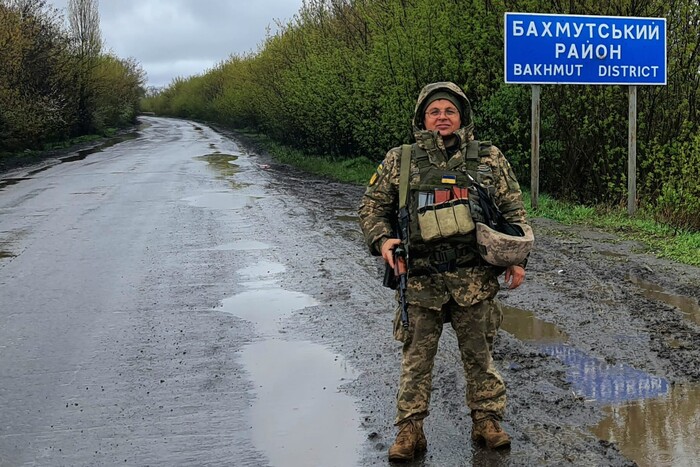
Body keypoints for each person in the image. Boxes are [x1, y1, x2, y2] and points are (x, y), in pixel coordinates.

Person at [358, 81, 533, 461]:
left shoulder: (488, 158)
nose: (442, 117)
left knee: (480, 356)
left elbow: (514, 211)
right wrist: (383, 241)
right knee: (416, 361)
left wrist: (517, 257)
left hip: (474, 279)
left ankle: (487, 422)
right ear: (423, 117)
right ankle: (409, 430)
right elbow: (371, 208)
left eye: (449, 111)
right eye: (434, 111)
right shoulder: (400, 160)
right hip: (420, 280)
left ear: (461, 116)